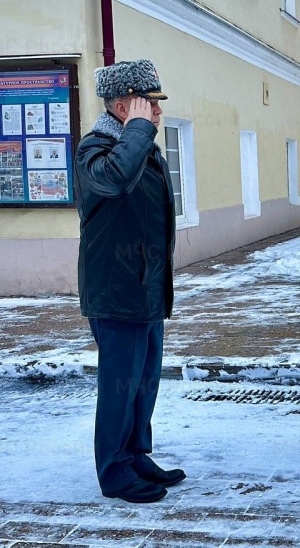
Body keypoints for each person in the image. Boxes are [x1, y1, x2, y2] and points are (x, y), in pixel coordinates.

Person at [74, 59, 184, 503]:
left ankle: (135, 455)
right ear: (123, 107)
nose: (157, 113)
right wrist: (139, 131)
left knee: (143, 381)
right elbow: (115, 182)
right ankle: (114, 471)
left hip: (145, 286)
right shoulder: (94, 152)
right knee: (120, 384)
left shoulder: (141, 147)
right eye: (148, 105)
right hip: (115, 291)